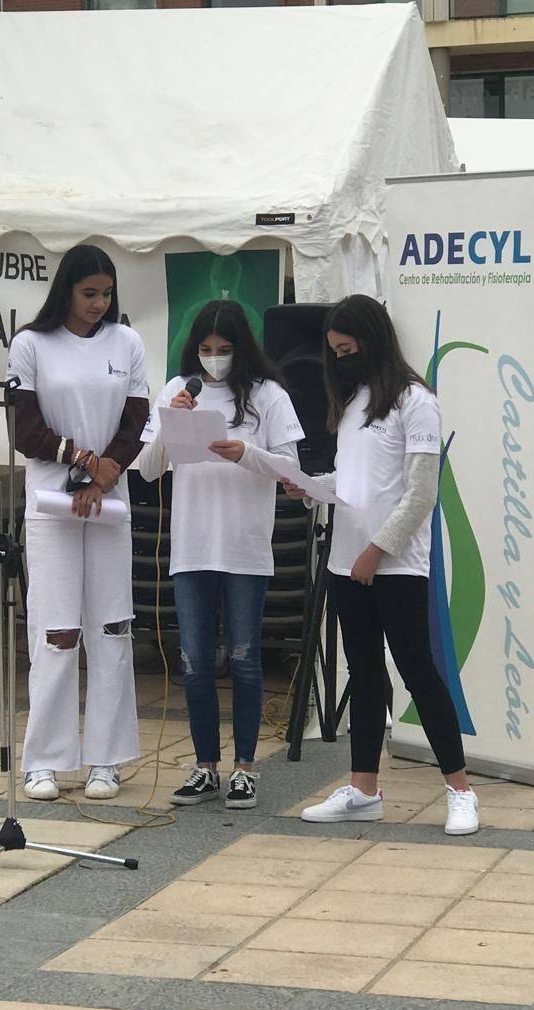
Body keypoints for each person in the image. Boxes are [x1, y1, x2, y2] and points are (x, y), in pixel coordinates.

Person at [282, 294, 479, 836]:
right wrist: (308, 487)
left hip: (394, 564)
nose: (340, 359)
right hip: (347, 560)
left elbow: (420, 493)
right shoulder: (352, 402)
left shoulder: (417, 401)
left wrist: (376, 550)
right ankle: (363, 789)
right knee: (364, 674)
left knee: (417, 671)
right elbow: (352, 483)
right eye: (334, 351)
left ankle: (461, 790)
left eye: (347, 349)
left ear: (371, 340)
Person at [139, 299, 304, 809]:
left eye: (224, 349)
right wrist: (172, 422)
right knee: (194, 661)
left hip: (244, 545)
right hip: (192, 544)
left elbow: (291, 467)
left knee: (245, 658)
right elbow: (147, 469)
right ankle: (205, 765)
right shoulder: (178, 388)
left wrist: (245, 452)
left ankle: (245, 767)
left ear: (242, 347)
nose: (214, 359)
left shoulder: (268, 395)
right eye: (206, 349)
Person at [6, 244, 149, 801]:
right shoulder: (31, 344)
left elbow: (136, 420)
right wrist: (83, 460)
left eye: (106, 294)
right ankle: (44, 759)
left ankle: (106, 759)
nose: (99, 303)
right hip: (52, 505)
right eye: (89, 293)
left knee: (111, 626)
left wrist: (104, 475)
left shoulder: (127, 342)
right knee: (56, 629)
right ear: (66, 289)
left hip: (108, 503)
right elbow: (25, 431)